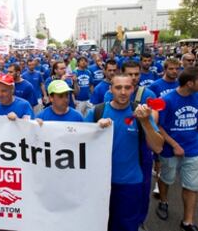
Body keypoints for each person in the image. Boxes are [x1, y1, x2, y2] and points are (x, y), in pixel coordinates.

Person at [85, 73, 164, 231]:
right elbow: (78, 142)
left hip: (130, 183)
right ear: (110, 89)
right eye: (118, 87)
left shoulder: (140, 113)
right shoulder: (97, 112)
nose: (123, 92)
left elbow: (158, 147)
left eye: (127, 87)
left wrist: (145, 123)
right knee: (99, 225)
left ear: (133, 89)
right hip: (100, 183)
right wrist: (95, 129)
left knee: (127, 226)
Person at [156, 67, 198, 231]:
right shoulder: (167, 100)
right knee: (167, 179)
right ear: (190, 83)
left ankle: (187, 221)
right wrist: (174, 145)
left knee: (191, 185)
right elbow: (158, 126)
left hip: (193, 149)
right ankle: (164, 201)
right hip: (170, 151)